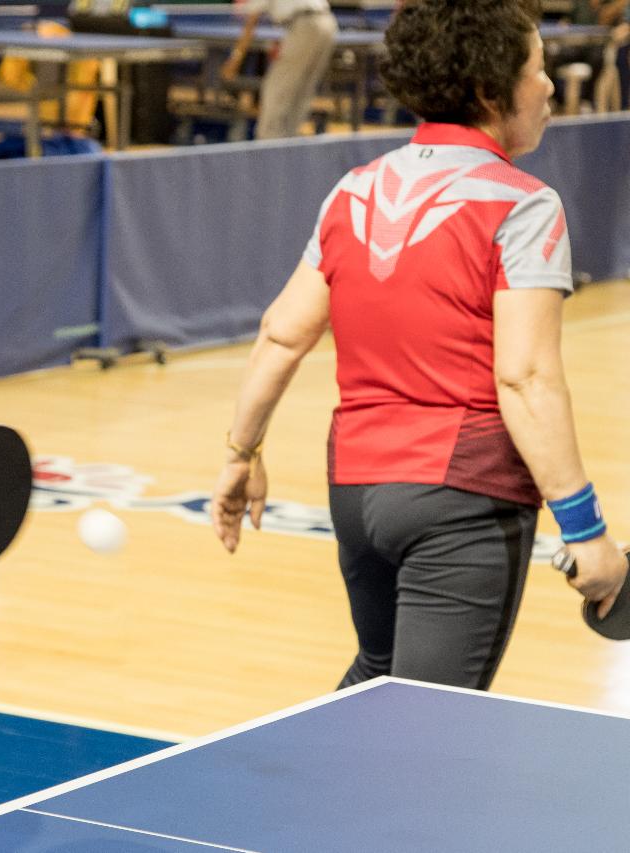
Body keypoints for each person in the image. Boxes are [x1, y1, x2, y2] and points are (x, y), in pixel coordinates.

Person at [211, 0, 626, 691]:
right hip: (462, 502)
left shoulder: (355, 190)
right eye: (538, 69)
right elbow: (525, 379)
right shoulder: (523, 205)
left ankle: (304, 799)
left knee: (378, 678)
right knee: (431, 726)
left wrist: (241, 453)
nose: (550, 86)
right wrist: (586, 531)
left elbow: (281, 335)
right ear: (491, 91)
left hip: (357, 491)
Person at [220, 0, 338, 140]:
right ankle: (288, 144)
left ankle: (269, 148)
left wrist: (234, 61)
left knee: (275, 93)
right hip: (327, 24)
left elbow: (251, 23)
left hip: (305, 25)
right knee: (300, 92)